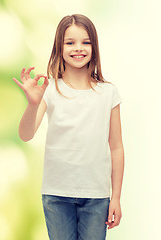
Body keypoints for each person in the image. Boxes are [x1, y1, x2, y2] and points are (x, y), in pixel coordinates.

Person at [13, 14, 124, 240]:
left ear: (94, 46)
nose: (78, 48)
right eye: (70, 42)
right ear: (59, 47)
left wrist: (116, 198)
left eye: (85, 42)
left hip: (96, 196)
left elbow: (116, 148)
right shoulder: (50, 89)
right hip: (57, 194)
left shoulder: (108, 92)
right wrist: (33, 104)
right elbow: (25, 135)